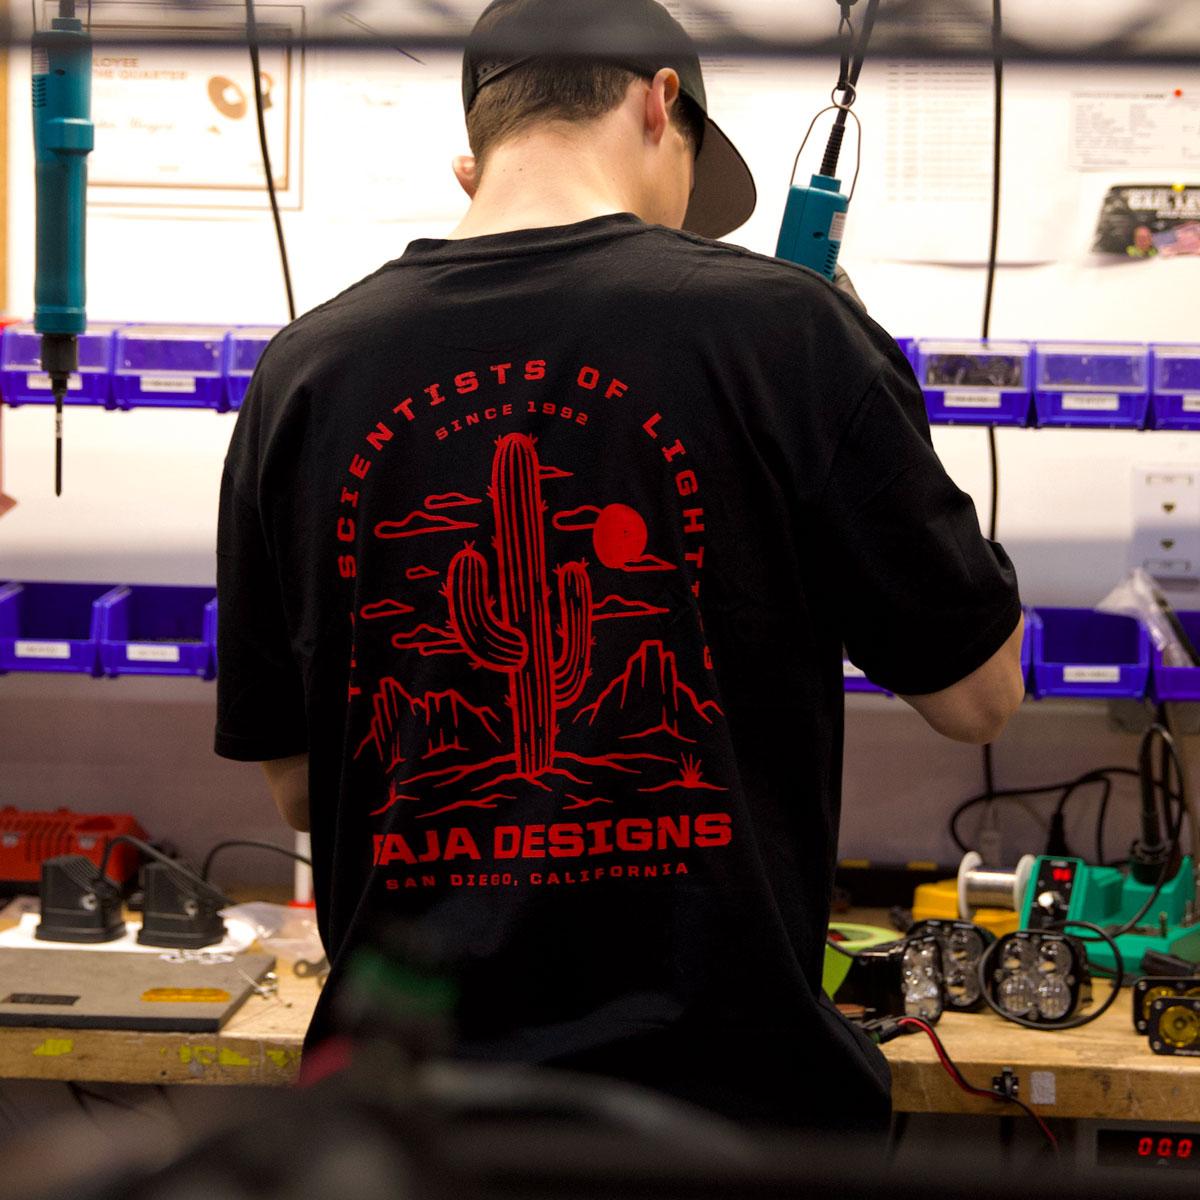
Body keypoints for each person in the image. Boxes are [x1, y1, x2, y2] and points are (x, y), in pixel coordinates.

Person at [215, 0, 1024, 1134]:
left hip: (410, 1118)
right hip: (725, 1116)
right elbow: (980, 699)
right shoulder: (786, 331)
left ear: (478, 151)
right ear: (659, 102)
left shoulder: (303, 372)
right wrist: (857, 377)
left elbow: (303, 789)